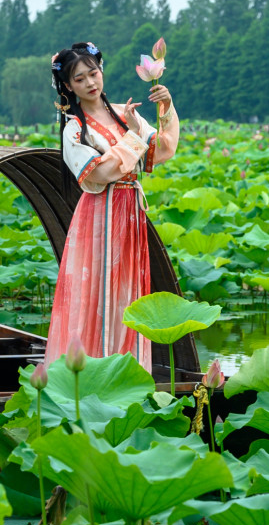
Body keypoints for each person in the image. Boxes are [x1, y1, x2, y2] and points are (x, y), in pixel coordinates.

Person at [46, 41, 179, 371]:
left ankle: (129, 373)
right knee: (99, 294)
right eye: (80, 79)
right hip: (100, 217)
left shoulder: (125, 113)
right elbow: (101, 174)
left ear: (101, 71)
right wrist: (133, 138)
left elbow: (161, 150)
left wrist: (166, 107)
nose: (90, 83)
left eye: (93, 73)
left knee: (129, 291)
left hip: (131, 212)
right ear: (67, 86)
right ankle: (92, 374)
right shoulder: (75, 129)